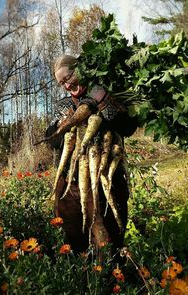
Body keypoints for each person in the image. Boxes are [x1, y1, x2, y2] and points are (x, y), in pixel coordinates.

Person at [45, 54, 138, 257]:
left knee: (110, 240)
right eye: (62, 83)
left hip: (108, 180)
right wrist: (63, 126)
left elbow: (129, 127)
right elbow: (51, 139)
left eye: (68, 78)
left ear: (80, 70)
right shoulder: (63, 106)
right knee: (75, 241)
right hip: (72, 184)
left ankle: (113, 278)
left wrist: (104, 101)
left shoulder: (106, 94)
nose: (67, 86)